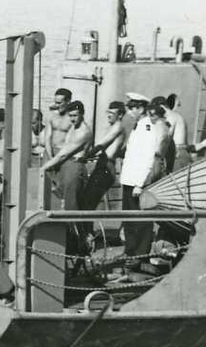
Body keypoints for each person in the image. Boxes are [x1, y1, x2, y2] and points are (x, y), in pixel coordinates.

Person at [120, 100, 167, 270]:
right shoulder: (138, 125)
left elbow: (148, 157)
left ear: (141, 108)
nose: (130, 111)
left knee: (141, 221)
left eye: (133, 107)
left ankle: (140, 254)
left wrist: (140, 183)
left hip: (137, 181)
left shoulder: (147, 127)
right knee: (129, 220)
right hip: (129, 179)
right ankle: (131, 252)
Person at [41, 101, 92, 210]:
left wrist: (43, 167)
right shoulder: (74, 127)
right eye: (70, 116)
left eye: (75, 115)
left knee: (71, 205)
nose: (72, 119)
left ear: (82, 114)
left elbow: (63, 155)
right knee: (61, 203)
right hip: (66, 166)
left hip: (75, 167)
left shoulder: (83, 132)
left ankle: (74, 227)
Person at [81, 101, 125, 210]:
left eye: (112, 113)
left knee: (89, 202)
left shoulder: (118, 127)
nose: (109, 115)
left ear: (120, 115)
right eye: (108, 112)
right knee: (88, 202)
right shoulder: (111, 127)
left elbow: (101, 145)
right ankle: (86, 227)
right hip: (102, 164)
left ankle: (86, 227)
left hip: (107, 167)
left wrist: (84, 157)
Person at [165, 93, 191, 171]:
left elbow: (167, 137)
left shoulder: (171, 116)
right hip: (183, 152)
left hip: (177, 154)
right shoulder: (179, 117)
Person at [46, 88, 73, 156]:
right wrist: (50, 156)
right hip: (49, 151)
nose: (56, 105)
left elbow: (70, 141)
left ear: (68, 101)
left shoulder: (72, 118)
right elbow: (47, 138)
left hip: (64, 153)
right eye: (55, 102)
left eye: (59, 103)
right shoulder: (51, 115)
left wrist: (59, 157)